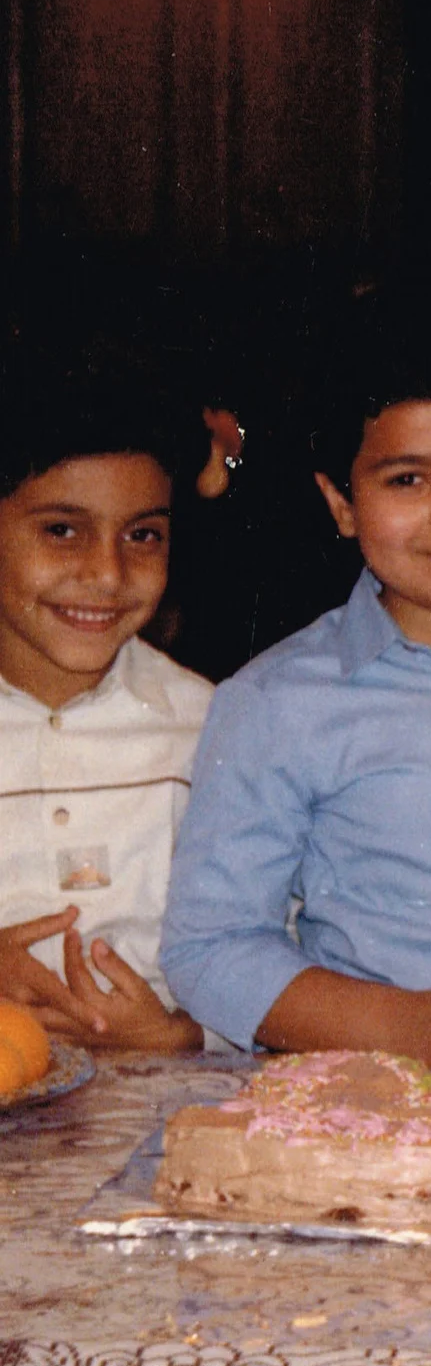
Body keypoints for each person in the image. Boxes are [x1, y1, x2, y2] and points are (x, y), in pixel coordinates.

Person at [159, 282, 431, 1071]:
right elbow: (211, 947)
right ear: (340, 502)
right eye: (406, 480)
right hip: (396, 1101)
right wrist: (402, 1024)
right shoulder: (274, 704)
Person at [0, 338, 213, 1052]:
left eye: (143, 535)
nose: (107, 574)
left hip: (174, 1101)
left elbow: (279, 953)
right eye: (62, 530)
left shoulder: (209, 729)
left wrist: (181, 1038)